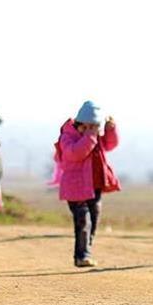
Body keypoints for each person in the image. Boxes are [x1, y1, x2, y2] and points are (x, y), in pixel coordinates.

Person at [54, 101, 120, 267]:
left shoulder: (96, 137)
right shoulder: (68, 137)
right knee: (83, 220)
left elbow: (110, 144)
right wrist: (89, 137)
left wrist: (110, 129)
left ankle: (85, 250)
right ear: (81, 124)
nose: (92, 130)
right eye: (89, 126)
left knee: (94, 219)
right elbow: (75, 153)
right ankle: (81, 255)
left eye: (95, 127)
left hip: (94, 186)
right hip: (76, 188)